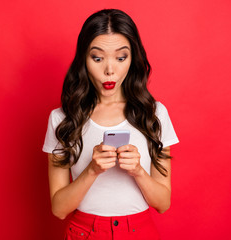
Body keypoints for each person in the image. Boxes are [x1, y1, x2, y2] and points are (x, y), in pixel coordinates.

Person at [42, 9, 179, 240]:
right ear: (84, 60)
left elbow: (163, 203)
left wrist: (138, 172)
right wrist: (91, 171)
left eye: (120, 57)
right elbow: (59, 209)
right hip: (84, 233)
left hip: (139, 233)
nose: (109, 70)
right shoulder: (62, 119)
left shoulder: (154, 114)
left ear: (132, 59)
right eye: (97, 58)